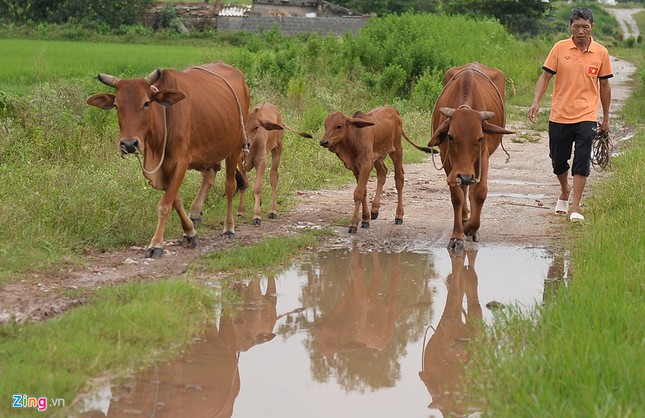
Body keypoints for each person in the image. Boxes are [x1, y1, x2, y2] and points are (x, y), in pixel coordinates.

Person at [528, 7, 612, 222]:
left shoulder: (601, 52)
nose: (581, 31)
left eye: (585, 26)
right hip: (559, 115)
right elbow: (545, 77)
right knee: (558, 161)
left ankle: (575, 206)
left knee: (582, 160)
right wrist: (536, 101)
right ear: (571, 27)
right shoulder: (559, 48)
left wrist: (606, 118)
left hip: (586, 115)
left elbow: (604, 85)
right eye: (577, 27)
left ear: (592, 27)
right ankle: (564, 190)